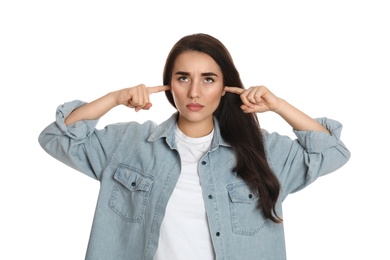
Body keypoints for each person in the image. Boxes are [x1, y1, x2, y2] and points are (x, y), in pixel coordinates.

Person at [38, 33, 351, 260]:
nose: (194, 92)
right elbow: (56, 137)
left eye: (209, 79)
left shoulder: (262, 151)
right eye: (183, 78)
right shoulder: (129, 144)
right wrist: (114, 98)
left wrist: (279, 105)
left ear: (226, 86)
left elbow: (332, 152)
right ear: (168, 84)